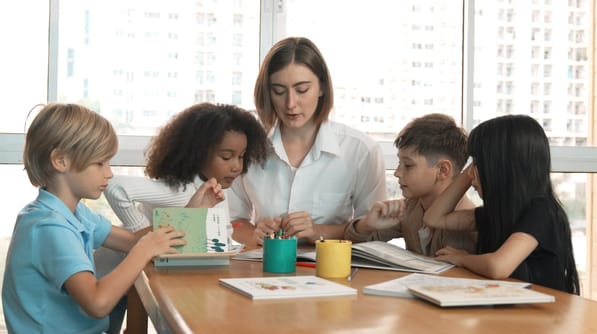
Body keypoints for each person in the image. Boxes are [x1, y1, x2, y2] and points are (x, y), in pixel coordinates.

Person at [1, 103, 224, 333]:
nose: (109, 173)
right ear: (61, 161)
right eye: (100, 163)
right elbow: (97, 304)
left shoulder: (72, 213)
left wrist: (191, 211)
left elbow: (131, 240)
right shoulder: (49, 227)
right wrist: (144, 250)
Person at [98, 102, 269, 332]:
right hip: (106, 279)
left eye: (241, 156)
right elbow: (116, 187)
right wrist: (145, 242)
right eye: (227, 157)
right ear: (198, 153)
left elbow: (222, 234)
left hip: (128, 282)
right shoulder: (182, 190)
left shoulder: (213, 187)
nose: (237, 166)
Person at [228, 36, 387, 246]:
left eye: (302, 90)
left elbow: (372, 230)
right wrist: (253, 234)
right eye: (279, 91)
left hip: (333, 272)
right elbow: (234, 222)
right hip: (262, 270)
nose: (290, 103)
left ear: (321, 88)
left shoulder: (360, 150)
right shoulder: (246, 147)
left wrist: (318, 231)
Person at [423, 114, 580, 294]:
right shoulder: (495, 213)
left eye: (479, 164)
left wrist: (462, 258)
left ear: (502, 168)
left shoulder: (542, 211)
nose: (472, 173)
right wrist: (469, 173)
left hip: (543, 316)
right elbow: (434, 218)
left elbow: (498, 266)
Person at [343, 113, 476, 256]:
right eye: (399, 163)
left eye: (408, 165)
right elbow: (358, 243)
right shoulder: (411, 208)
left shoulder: (464, 222)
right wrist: (367, 225)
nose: (397, 173)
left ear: (443, 170)